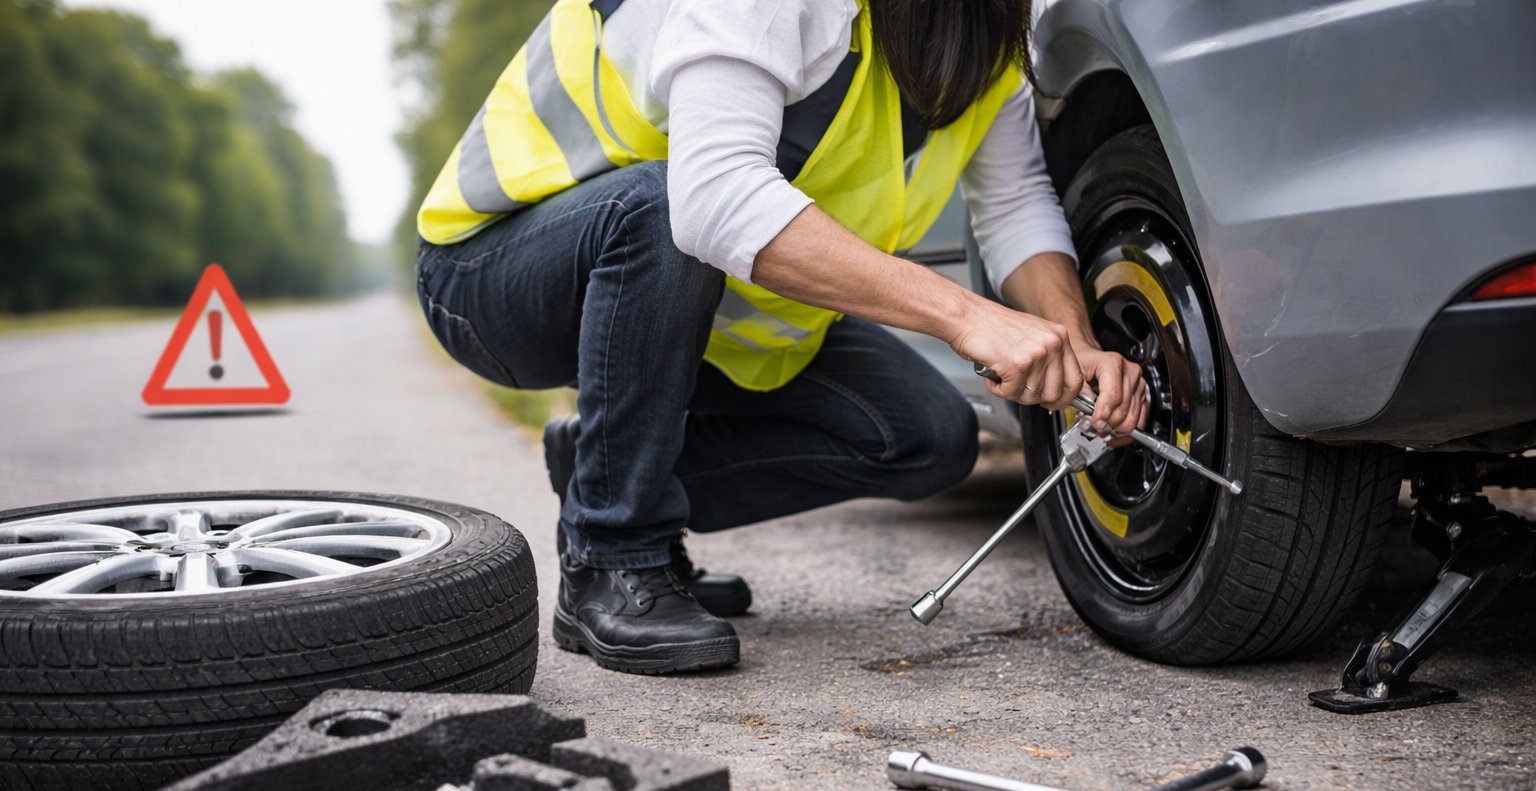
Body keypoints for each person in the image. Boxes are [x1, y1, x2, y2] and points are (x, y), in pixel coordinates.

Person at [414, 0, 1147, 676]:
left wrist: (1073, 345)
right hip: (494, 277)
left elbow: (1016, 202)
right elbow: (712, 199)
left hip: (692, 309)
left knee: (927, 435)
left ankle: (607, 468)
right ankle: (612, 552)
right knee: (660, 205)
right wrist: (966, 316)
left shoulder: (973, 39)